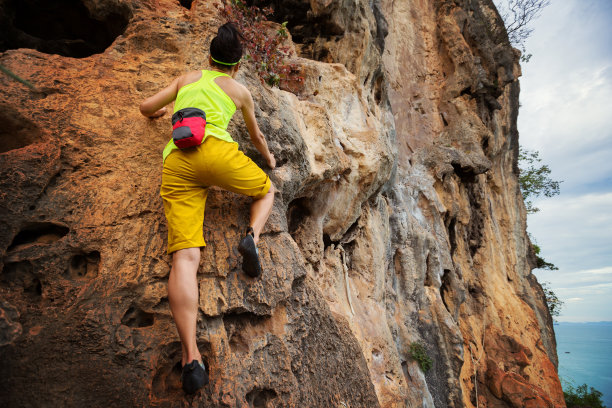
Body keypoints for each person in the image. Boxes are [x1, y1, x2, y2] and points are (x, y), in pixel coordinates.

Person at [139, 23, 276, 394]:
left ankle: (191, 358)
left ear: (209, 56)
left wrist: (162, 114)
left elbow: (146, 107)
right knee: (266, 191)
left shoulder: (186, 79)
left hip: (179, 159)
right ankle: (252, 236)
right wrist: (269, 158)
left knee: (184, 258)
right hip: (219, 155)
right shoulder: (239, 90)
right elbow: (255, 136)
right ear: (236, 64)